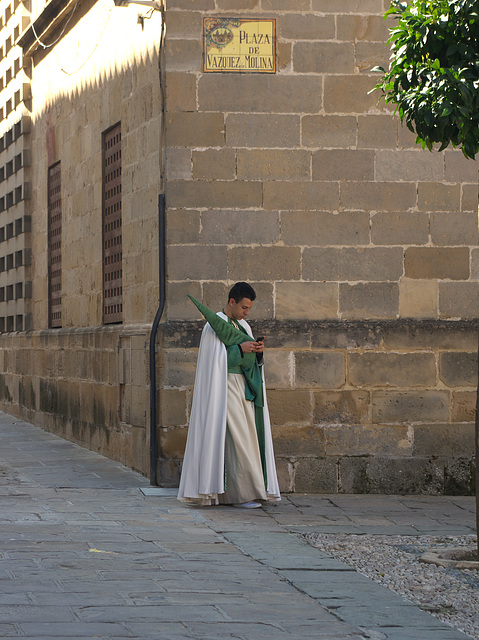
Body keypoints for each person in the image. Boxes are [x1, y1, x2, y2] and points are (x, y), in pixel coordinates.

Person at [177, 282, 281, 508]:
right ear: (232, 302)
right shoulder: (214, 325)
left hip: (244, 387)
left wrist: (257, 352)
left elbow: (250, 360)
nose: (246, 312)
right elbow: (214, 361)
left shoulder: (244, 326)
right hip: (223, 388)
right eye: (244, 307)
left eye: (249, 309)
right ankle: (242, 495)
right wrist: (238, 350)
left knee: (247, 438)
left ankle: (239, 491)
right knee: (238, 438)